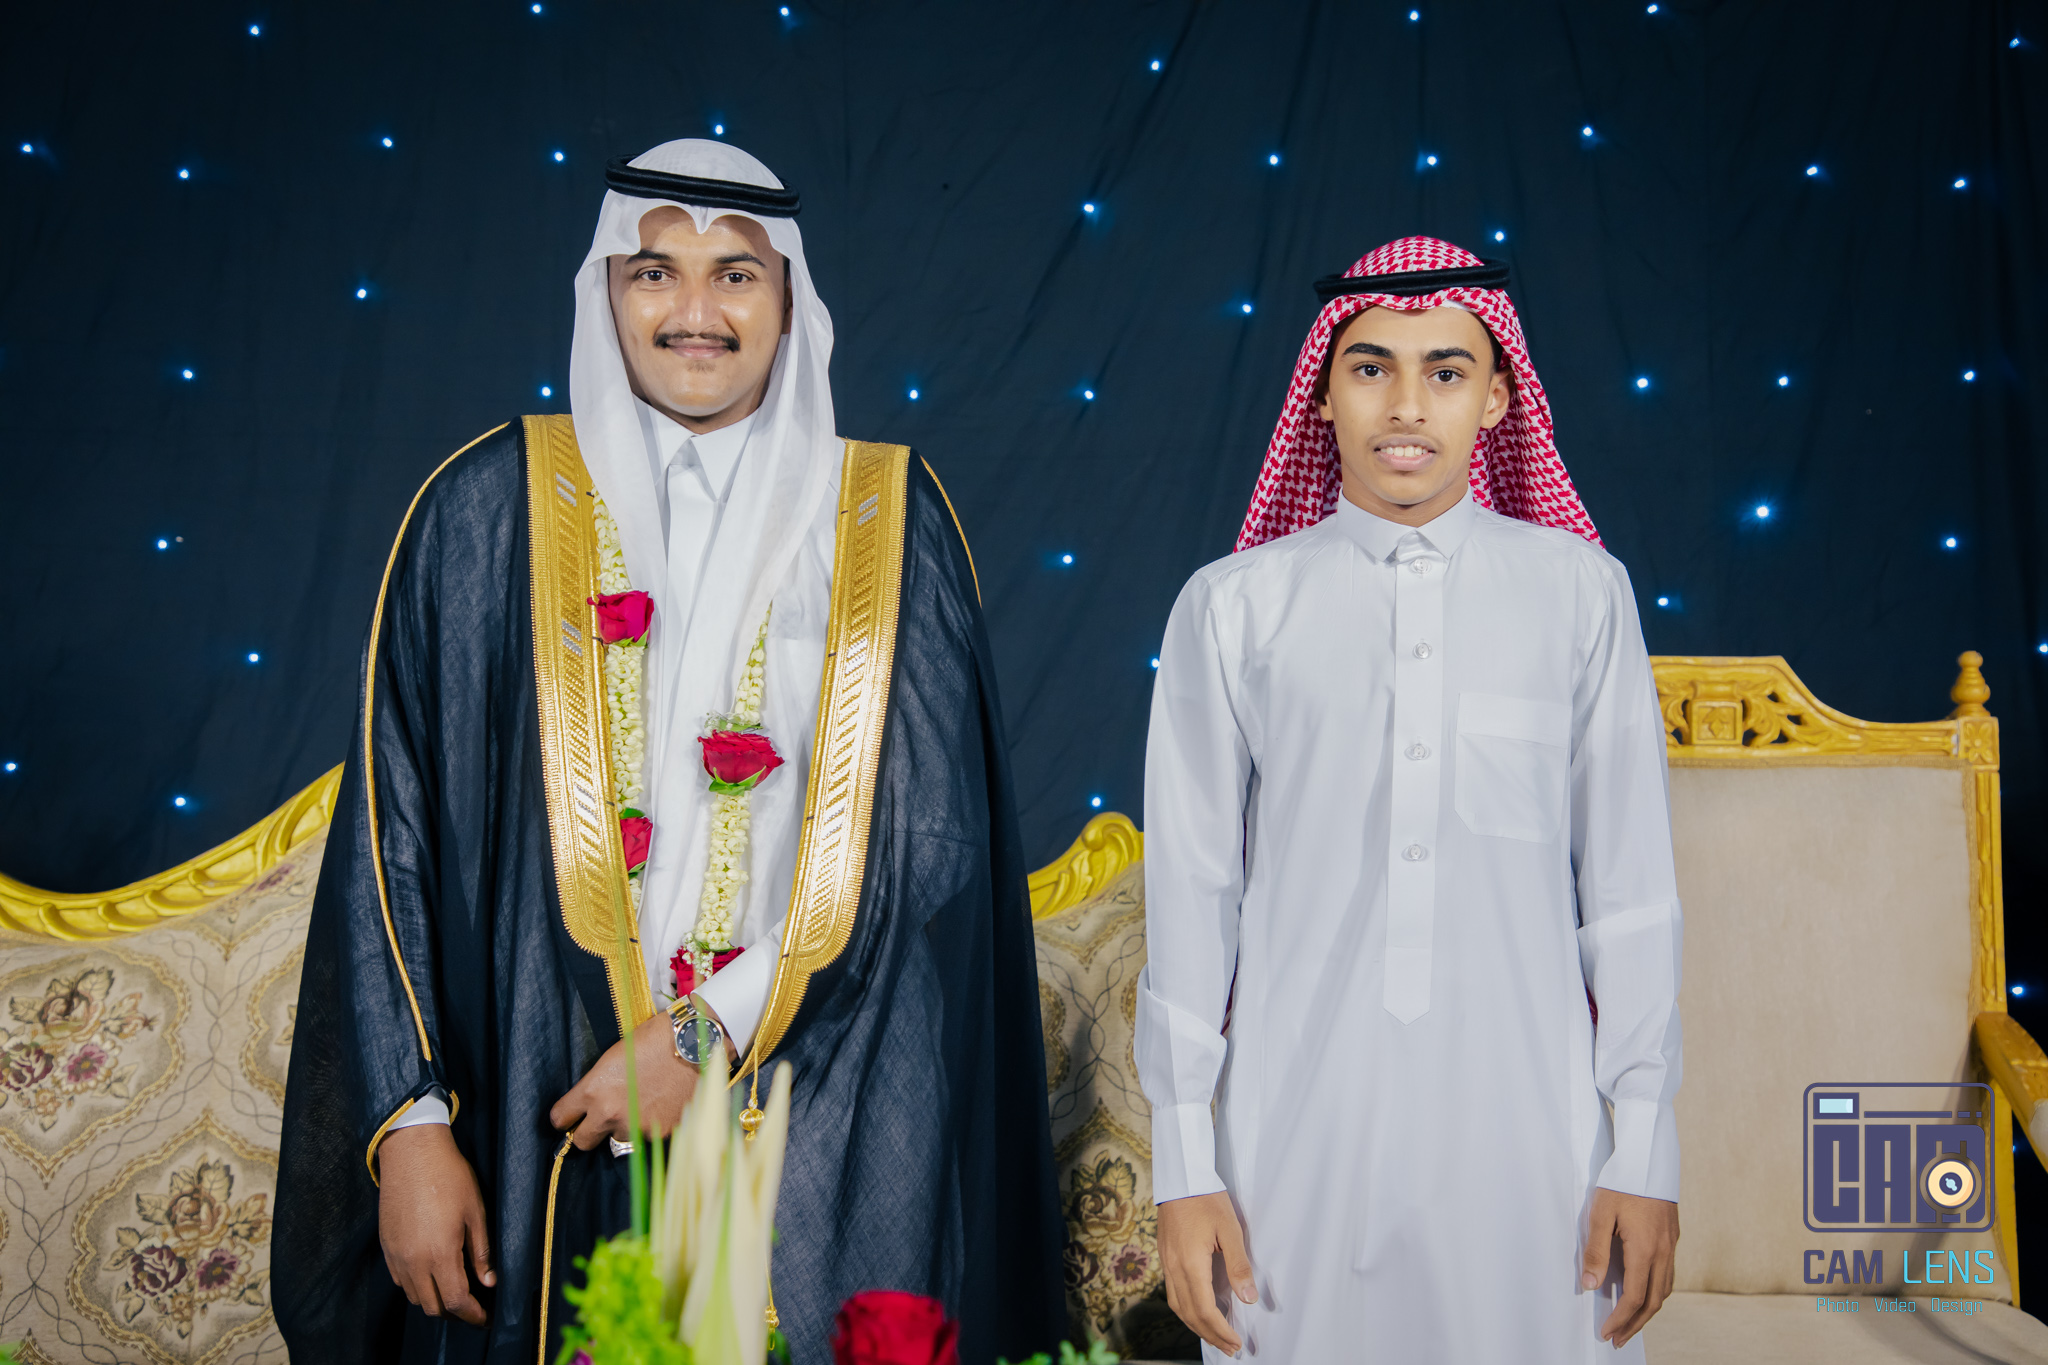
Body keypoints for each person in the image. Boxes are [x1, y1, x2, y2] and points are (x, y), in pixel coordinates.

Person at [274, 139, 1065, 1365]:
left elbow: (929, 838)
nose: (695, 310)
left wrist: (705, 1033)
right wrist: (410, 1127)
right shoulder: (484, 508)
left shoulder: (882, 516)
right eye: (654, 272)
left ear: (788, 299)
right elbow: (394, 842)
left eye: (735, 274)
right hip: (541, 1104)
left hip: (829, 1095)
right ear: (605, 291)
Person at [1138, 237, 1683, 1362]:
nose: (1405, 405)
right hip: (1292, 1138)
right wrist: (1185, 1166)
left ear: (1497, 399)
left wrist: (1644, 1151)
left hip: (1535, 1143)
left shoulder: (1580, 594)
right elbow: (1191, 896)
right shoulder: (1233, 607)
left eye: (1445, 371)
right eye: (1370, 367)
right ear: (1321, 396)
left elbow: (1630, 898)